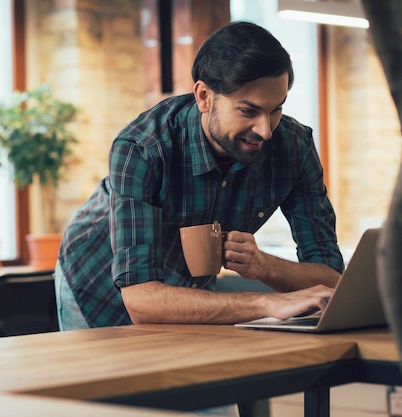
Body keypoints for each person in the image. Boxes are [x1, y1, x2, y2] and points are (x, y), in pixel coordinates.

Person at [55, 21, 345, 332]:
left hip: (185, 292)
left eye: (276, 110)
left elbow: (331, 279)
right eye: (248, 111)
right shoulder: (142, 148)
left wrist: (264, 266)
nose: (266, 130)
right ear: (204, 96)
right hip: (94, 283)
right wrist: (265, 303)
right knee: (112, 381)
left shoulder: (293, 147)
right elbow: (141, 300)